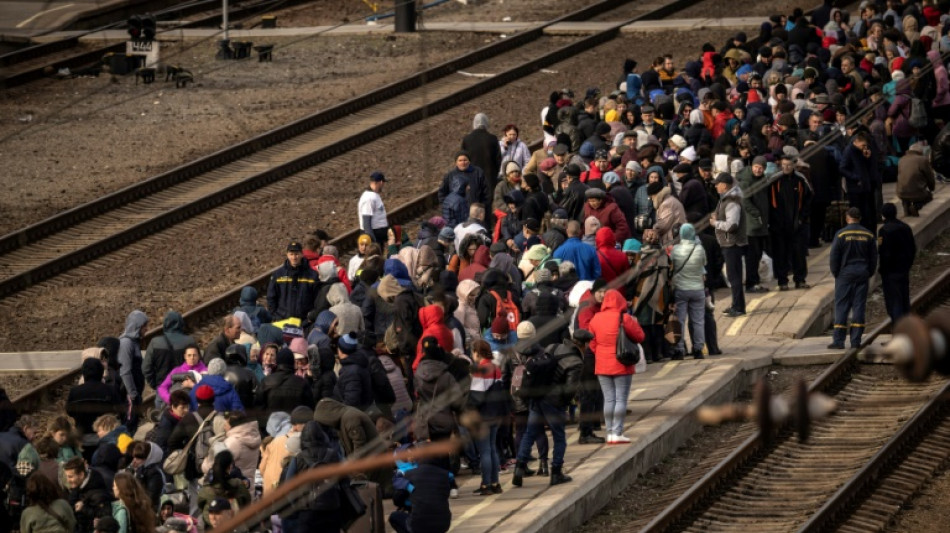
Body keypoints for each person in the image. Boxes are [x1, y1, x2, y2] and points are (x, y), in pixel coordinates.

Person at [511, 322, 571, 487]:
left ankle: (519, 469)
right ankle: (556, 472)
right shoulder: (542, 352)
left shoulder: (513, 353)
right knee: (559, 436)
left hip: (531, 400)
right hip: (548, 399)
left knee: (529, 434)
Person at [588, 289, 645, 444]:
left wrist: (601, 353)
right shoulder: (624, 318)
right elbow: (640, 336)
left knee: (609, 399)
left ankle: (609, 433)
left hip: (602, 365)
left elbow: (591, 343)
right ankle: (618, 432)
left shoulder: (595, 319)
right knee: (621, 399)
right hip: (622, 363)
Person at [828, 208, 878, 349]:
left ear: (847, 218)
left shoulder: (841, 234)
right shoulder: (868, 234)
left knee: (842, 305)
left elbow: (834, 257)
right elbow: (874, 257)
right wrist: (869, 272)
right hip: (862, 273)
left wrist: (836, 273)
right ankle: (856, 341)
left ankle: (838, 341)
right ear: (859, 218)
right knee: (859, 306)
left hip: (845, 274)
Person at [768, 153, 813, 290]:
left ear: (794, 165)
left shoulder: (800, 180)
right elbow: (770, 202)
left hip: (797, 223)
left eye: (788, 165)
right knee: (781, 253)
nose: (786, 167)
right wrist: (774, 221)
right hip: (779, 225)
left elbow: (808, 199)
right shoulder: (775, 180)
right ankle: (783, 281)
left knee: (799, 253)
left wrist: (802, 218)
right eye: (783, 165)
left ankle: (800, 279)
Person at [467, 340, 506, 495]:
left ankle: (486, 484)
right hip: (495, 413)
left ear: (477, 352)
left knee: (484, 451)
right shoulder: (496, 368)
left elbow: (476, 397)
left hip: (483, 415)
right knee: (492, 449)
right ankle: (496, 482)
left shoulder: (481, 370)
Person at [710, 173, 747, 317]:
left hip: (732, 244)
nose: (715, 185)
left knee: (734, 277)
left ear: (724, 185)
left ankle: (738, 307)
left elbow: (732, 225)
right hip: (728, 243)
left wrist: (716, 223)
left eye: (717, 183)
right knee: (733, 276)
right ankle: (736, 304)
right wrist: (717, 216)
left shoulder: (731, 201)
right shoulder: (725, 199)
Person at [143, 310, 195, 408]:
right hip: (185, 388)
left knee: (164, 419)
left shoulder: (155, 342)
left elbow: (146, 368)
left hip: (163, 390)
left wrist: (156, 385)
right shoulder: (189, 341)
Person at [671, 224, 707, 359]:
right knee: (698, 321)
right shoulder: (700, 249)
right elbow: (703, 264)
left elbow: (672, 265)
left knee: (680, 320)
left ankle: (679, 350)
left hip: (681, 289)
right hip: (698, 289)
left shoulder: (676, 250)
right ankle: (698, 349)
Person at [737, 156, 770, 293]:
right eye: (756, 167)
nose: (758, 169)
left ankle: (754, 281)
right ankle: (751, 283)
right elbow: (745, 201)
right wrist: (757, 215)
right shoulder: (746, 181)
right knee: (753, 255)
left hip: (759, 224)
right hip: (752, 225)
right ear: (752, 166)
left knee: (756, 254)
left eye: (761, 168)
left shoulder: (762, 179)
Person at [878, 203, 916, 322]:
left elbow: (882, 251)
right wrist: (908, 264)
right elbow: (912, 248)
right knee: (904, 298)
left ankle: (898, 329)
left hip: (890, 272)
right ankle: (906, 326)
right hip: (903, 269)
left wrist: (882, 269)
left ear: (883, 215)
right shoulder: (905, 227)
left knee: (894, 301)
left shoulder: (883, 231)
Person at [66, 357, 122, 437]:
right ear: (101, 372)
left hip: (82, 435)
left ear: (84, 373)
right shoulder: (110, 390)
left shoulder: (75, 391)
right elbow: (119, 410)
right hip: (105, 434)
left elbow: (69, 411)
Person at [267, 241, 320, 322]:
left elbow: (317, 299)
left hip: (304, 322)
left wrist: (311, 316)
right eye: (291, 254)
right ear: (287, 255)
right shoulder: (278, 275)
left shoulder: (312, 275)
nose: (294, 257)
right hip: (282, 320)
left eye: (297, 254)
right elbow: (271, 297)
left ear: (302, 254)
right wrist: (275, 316)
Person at [116, 310, 148, 434]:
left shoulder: (134, 342)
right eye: (144, 326)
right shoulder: (126, 343)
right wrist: (133, 394)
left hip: (134, 394)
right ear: (137, 326)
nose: (146, 329)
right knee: (128, 427)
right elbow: (125, 371)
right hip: (130, 395)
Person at [461, 113, 502, 192]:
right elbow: (498, 159)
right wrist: (494, 173)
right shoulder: (492, 139)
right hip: (489, 177)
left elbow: (462, 160)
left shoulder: (467, 140)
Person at [896, 142, 936, 216]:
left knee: (906, 188)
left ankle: (906, 209)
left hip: (900, 192)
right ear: (920, 151)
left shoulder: (901, 159)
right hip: (916, 192)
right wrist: (932, 188)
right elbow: (929, 176)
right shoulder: (922, 160)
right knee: (928, 196)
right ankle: (916, 206)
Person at [358, 171, 390, 244]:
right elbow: (366, 221)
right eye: (383, 183)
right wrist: (372, 241)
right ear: (381, 182)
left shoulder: (374, 195)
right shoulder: (369, 198)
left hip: (378, 235)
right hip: (374, 236)